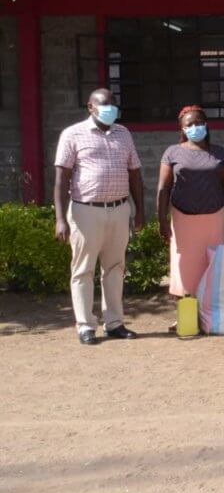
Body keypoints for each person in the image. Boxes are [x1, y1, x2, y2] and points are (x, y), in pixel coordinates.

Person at [53, 88, 145, 345]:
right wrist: (60, 218)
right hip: (85, 211)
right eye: (105, 105)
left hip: (118, 209)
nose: (111, 109)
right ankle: (85, 325)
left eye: (114, 104)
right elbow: (61, 180)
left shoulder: (123, 134)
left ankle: (114, 323)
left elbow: (135, 174)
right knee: (83, 269)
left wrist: (139, 210)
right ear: (90, 107)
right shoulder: (72, 134)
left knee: (115, 268)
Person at [157, 105, 224, 323]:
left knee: (212, 267)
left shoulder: (219, 153)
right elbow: (163, 189)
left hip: (214, 218)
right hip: (183, 219)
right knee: (184, 268)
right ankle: (186, 317)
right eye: (190, 124)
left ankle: (210, 316)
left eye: (199, 122)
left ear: (206, 124)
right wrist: (162, 220)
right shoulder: (172, 152)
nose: (195, 127)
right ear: (182, 128)